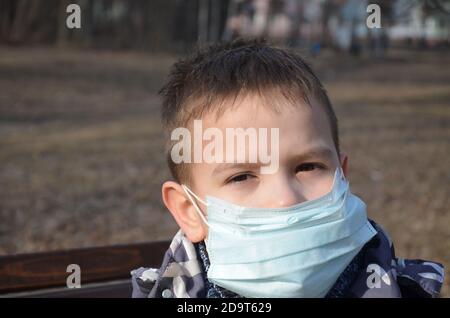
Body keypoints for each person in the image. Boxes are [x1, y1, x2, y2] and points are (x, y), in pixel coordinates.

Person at [131, 39, 444, 298]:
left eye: (307, 166)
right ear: (188, 210)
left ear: (342, 177)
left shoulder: (406, 290)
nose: (285, 198)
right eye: (241, 176)